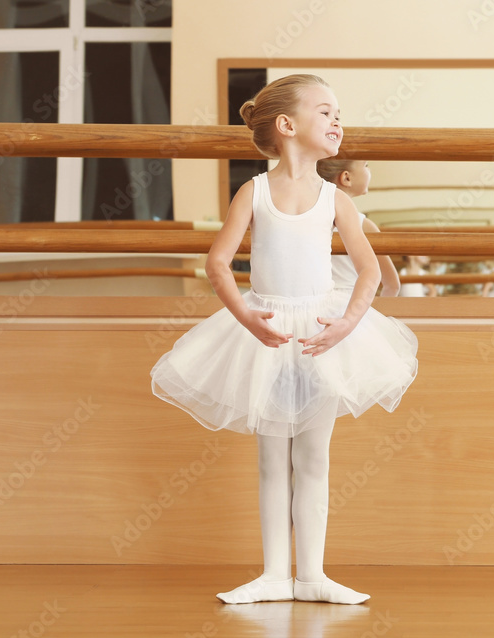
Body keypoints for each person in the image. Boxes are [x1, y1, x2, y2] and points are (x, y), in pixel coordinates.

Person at [150, 74, 418, 606]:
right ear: (287, 125)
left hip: (321, 334)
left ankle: (312, 575)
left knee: (313, 457)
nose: (337, 122)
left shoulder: (335, 200)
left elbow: (369, 272)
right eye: (326, 112)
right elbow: (218, 264)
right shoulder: (253, 192)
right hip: (267, 333)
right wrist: (247, 319)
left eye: (339, 114)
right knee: (272, 460)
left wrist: (346, 323)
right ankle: (275, 574)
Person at [316, 159, 401, 296]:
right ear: (346, 178)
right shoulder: (364, 225)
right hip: (351, 302)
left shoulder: (310, 220)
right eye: (366, 165)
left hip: (314, 301)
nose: (370, 170)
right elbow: (392, 285)